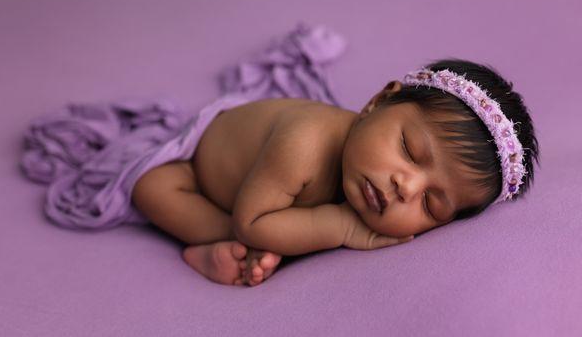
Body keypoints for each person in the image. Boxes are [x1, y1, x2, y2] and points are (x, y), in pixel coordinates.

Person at [131, 59, 540, 287]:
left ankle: (248, 247)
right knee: (152, 189)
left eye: (431, 204)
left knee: (275, 231)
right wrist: (341, 228)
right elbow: (251, 222)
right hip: (200, 165)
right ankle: (210, 248)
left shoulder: (364, 172)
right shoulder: (305, 143)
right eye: (409, 150)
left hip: (263, 203)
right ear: (379, 101)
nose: (406, 186)